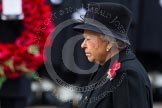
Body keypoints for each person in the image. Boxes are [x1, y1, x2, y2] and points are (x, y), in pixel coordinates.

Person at [73, 2, 153, 108]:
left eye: (88, 39)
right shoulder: (105, 68)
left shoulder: (126, 75)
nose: (83, 45)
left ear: (109, 42)